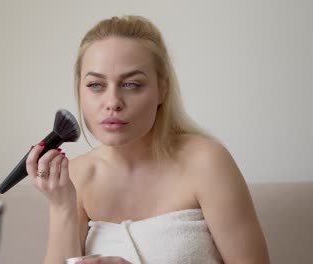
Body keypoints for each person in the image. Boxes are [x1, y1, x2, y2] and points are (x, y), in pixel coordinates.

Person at [26, 15, 270, 264]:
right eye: (96, 85)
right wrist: (62, 207)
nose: (112, 102)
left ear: (162, 89)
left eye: (131, 84)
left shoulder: (206, 162)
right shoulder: (76, 175)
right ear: (79, 88)